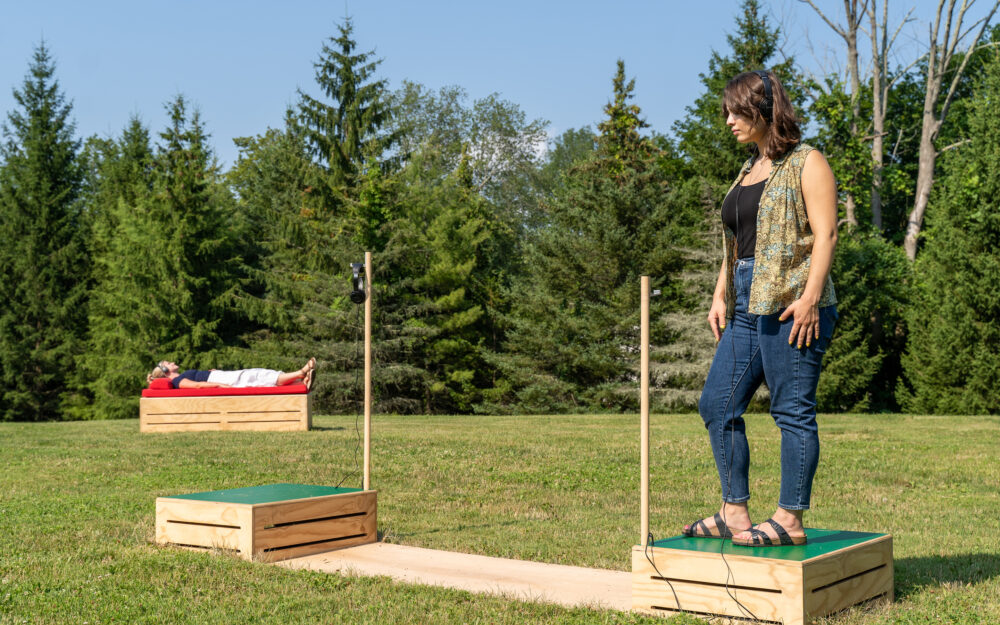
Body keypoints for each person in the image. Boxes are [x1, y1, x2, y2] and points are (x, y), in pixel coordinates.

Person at [681, 70, 838, 547]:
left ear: (765, 111)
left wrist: (810, 298)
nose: (728, 121)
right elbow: (740, 242)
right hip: (747, 302)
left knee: (791, 410)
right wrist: (719, 292)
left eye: (737, 111)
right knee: (717, 404)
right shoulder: (749, 169)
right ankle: (734, 510)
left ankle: (790, 518)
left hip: (793, 304)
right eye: (726, 112)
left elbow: (826, 234)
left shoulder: (807, 162)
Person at [148, 358, 317, 390]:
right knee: (258, 376)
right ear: (165, 372)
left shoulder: (180, 376)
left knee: (258, 377)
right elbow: (197, 385)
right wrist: (220, 384)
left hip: (218, 376)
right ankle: (301, 373)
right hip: (220, 380)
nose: (171, 362)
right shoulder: (178, 381)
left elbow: (198, 378)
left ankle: (299, 383)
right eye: (167, 364)